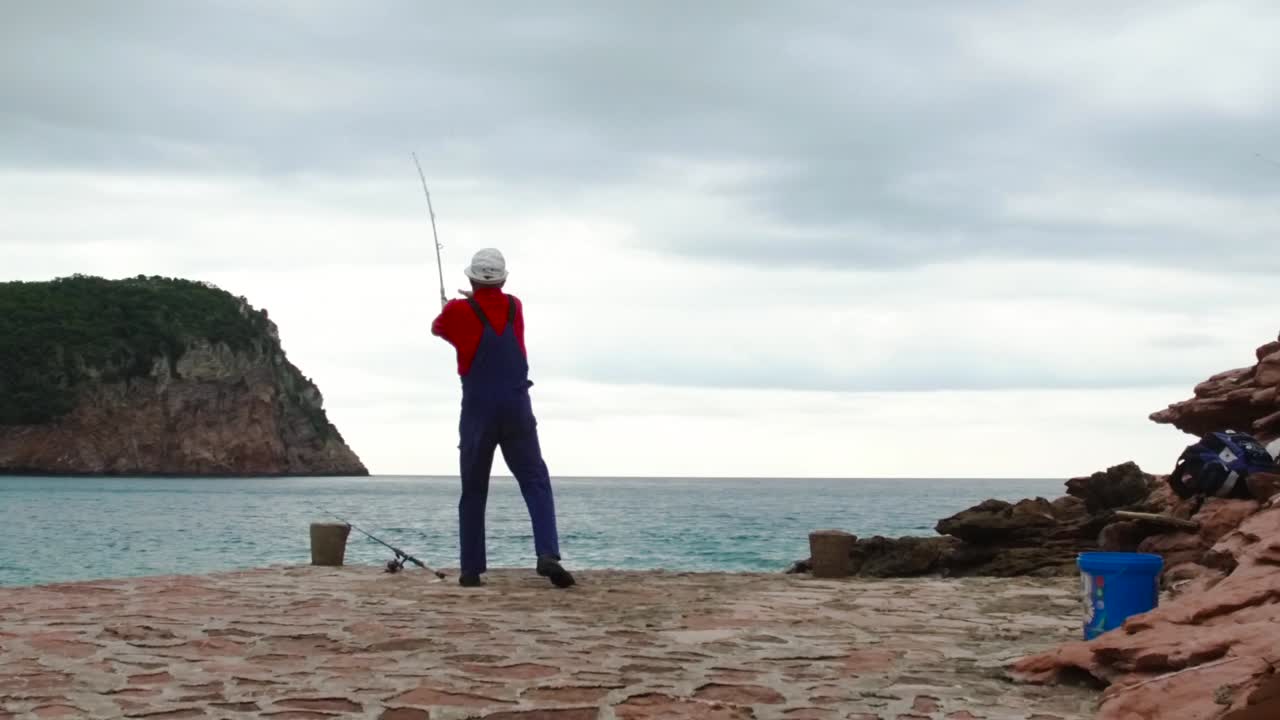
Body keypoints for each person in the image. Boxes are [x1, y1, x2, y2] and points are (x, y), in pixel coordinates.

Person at [430, 248, 574, 589]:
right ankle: (547, 554)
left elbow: (440, 330)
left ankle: (471, 570)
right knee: (535, 481)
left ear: (470, 279)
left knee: (474, 489)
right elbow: (491, 311)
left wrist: (455, 306)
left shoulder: (457, 311)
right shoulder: (514, 307)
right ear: (504, 279)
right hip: (516, 406)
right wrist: (470, 303)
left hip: (478, 409)